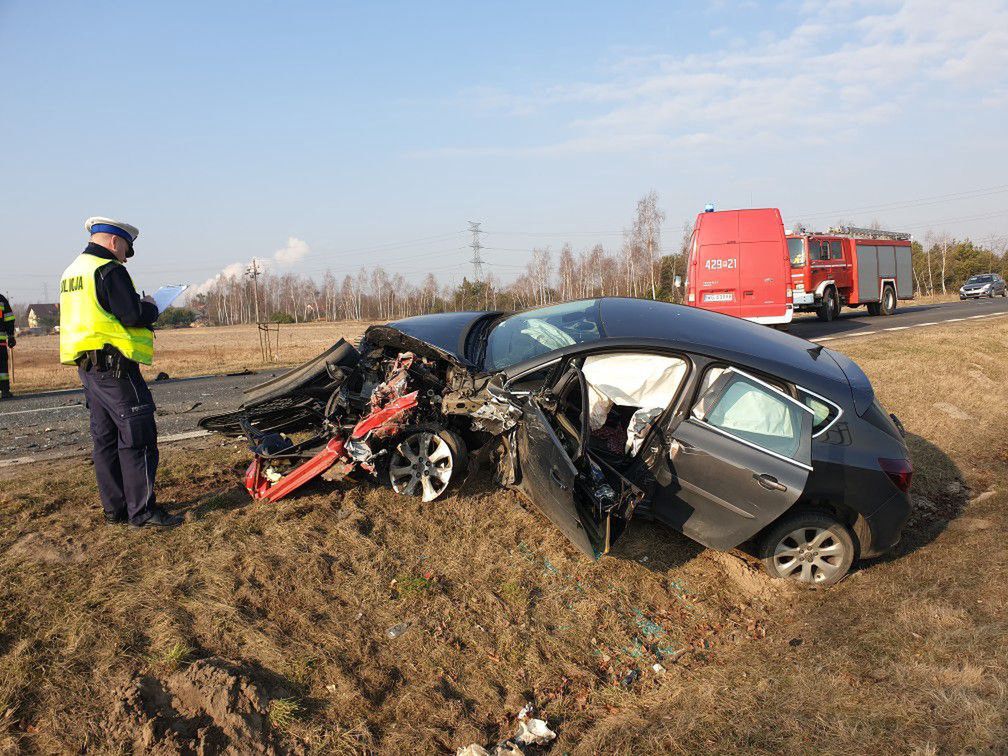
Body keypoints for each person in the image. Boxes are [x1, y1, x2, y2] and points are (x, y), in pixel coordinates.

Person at [59, 217, 182, 528]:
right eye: (127, 247)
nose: (127, 255)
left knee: (105, 439)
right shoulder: (109, 270)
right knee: (137, 436)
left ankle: (115, 510)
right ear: (114, 241)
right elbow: (131, 314)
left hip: (88, 369)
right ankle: (142, 512)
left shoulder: (73, 272)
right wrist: (151, 306)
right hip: (116, 369)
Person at [0, 292, 14, 399]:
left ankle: (5, 390)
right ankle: (4, 391)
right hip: (0, 342)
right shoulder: (1, 300)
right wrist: (11, 335)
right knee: (2, 368)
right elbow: (9, 319)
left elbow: (9, 318)